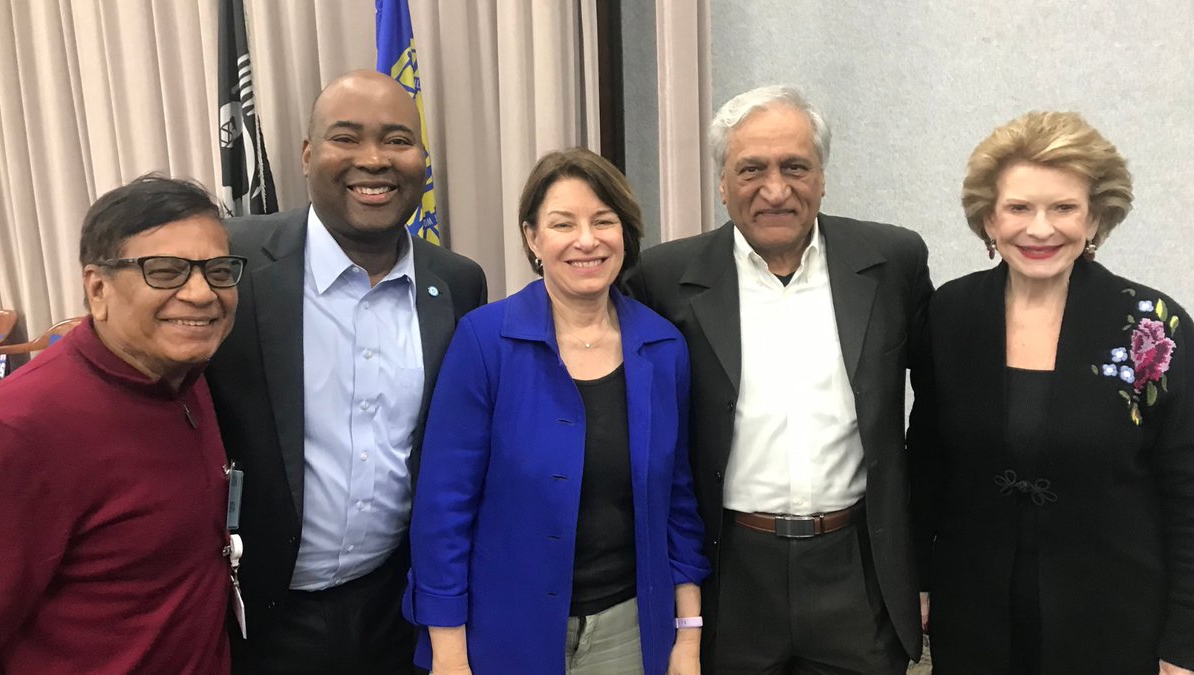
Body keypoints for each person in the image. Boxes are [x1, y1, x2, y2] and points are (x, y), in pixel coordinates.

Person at [627, 84, 933, 674]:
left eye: (796, 167)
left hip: (856, 568)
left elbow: (939, 417)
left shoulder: (891, 260)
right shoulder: (664, 278)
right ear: (721, 182)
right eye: (751, 170)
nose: (775, 190)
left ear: (821, 177)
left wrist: (923, 566)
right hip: (730, 571)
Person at [205, 70, 487, 674]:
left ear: (422, 157)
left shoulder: (458, 283)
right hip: (258, 616)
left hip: (395, 608)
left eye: (397, 139)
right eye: (347, 138)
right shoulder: (234, 263)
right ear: (308, 155)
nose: (375, 160)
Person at [403, 148, 710, 675]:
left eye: (603, 221)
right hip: (501, 632)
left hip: (630, 632)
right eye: (563, 224)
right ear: (533, 238)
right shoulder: (484, 341)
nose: (586, 240)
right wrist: (448, 653)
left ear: (625, 233)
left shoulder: (663, 347)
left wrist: (688, 636)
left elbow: (678, 504)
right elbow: (442, 511)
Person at [909, 111, 1194, 674]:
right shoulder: (950, 314)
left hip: (1116, 619)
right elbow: (927, 462)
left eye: (1063, 208)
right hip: (974, 614)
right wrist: (917, 580)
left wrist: (1183, 642)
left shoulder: (1152, 325)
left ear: (1095, 220)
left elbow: (1187, 492)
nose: (1040, 229)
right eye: (1019, 208)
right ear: (989, 220)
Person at [0, 175, 241, 674]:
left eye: (217, 270)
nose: (201, 293)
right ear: (98, 288)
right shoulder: (20, 427)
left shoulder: (188, 377)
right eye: (165, 271)